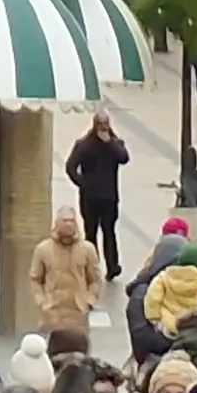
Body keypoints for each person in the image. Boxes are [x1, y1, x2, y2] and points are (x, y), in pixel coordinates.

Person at [68, 117, 130, 278]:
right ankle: (92, 266)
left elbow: (124, 158)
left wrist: (110, 143)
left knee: (109, 231)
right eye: (100, 125)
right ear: (94, 126)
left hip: (109, 196)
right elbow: (70, 166)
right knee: (91, 232)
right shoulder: (84, 145)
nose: (103, 128)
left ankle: (112, 266)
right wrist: (82, 183)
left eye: (105, 125)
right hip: (90, 197)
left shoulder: (115, 144)